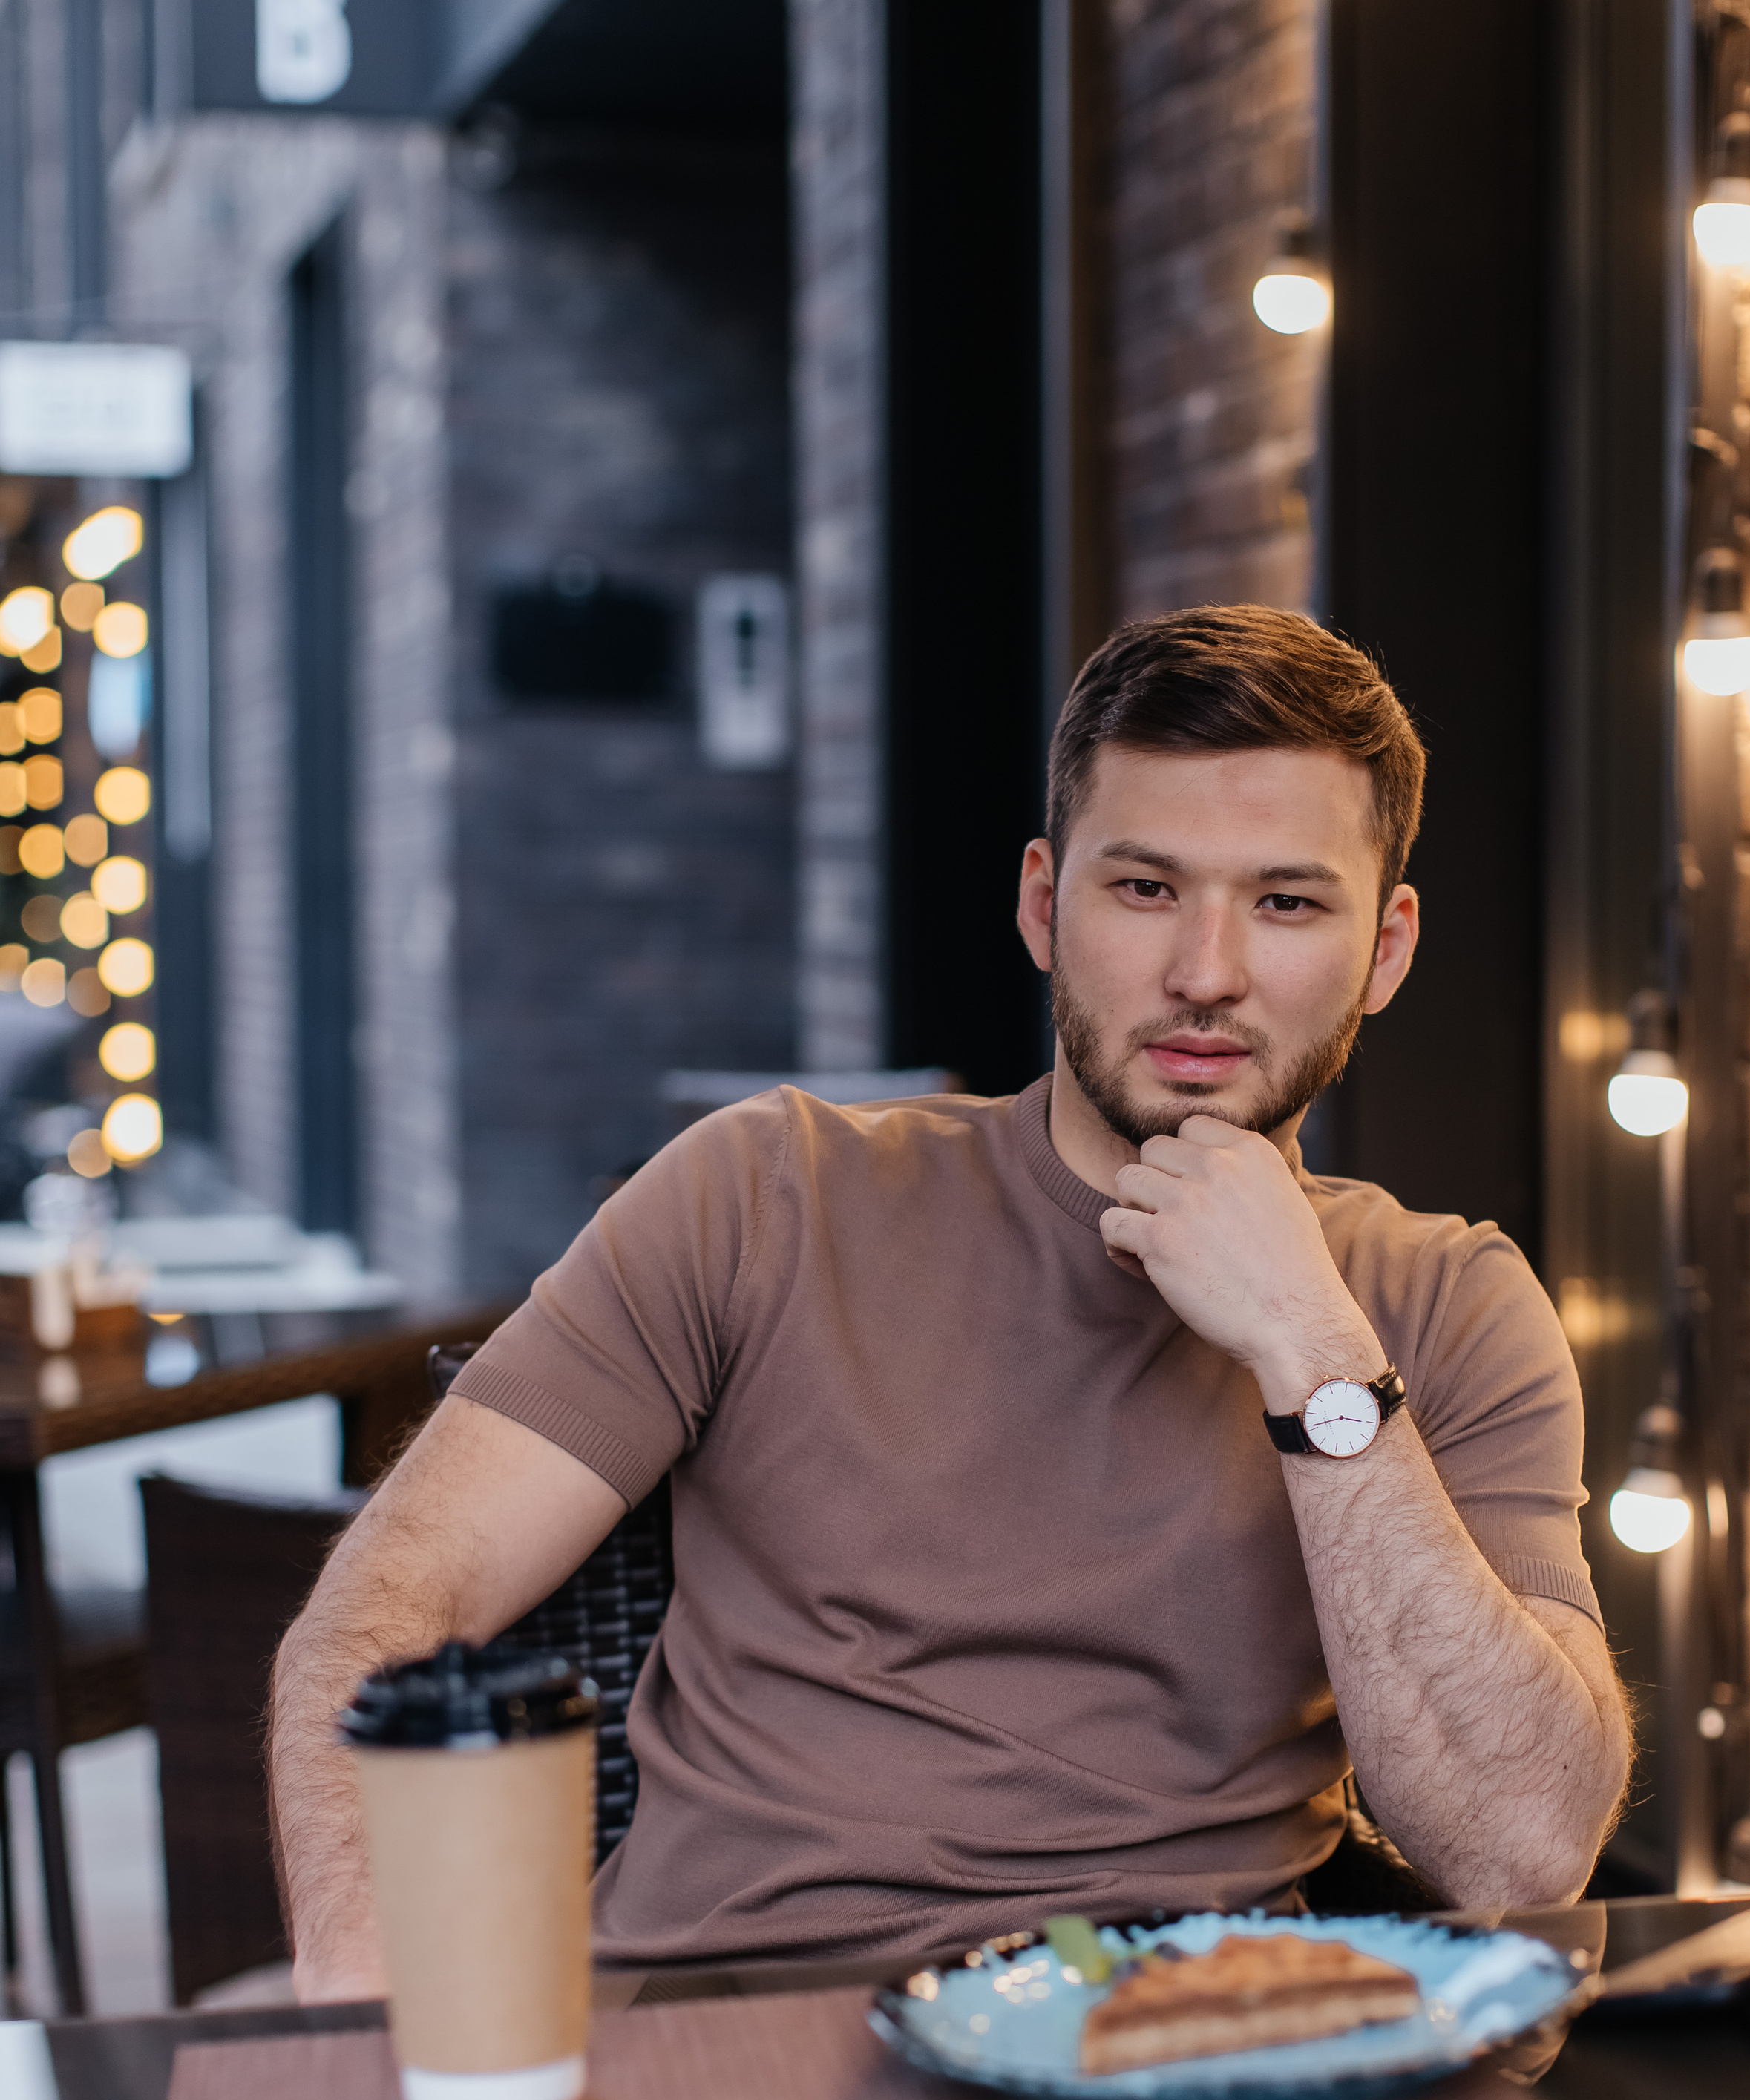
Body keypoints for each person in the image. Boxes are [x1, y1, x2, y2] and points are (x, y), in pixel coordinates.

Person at [273, 605, 1631, 2001]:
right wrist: (361, 1991)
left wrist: (1310, 1345)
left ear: (1386, 951)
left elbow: (1520, 1853)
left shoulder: (1443, 1302)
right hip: (734, 2039)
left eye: (1286, 903)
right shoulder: (767, 1194)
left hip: (1178, 2059)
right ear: (1043, 905)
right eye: (1145, 888)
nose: (1207, 973)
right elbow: (387, 1606)